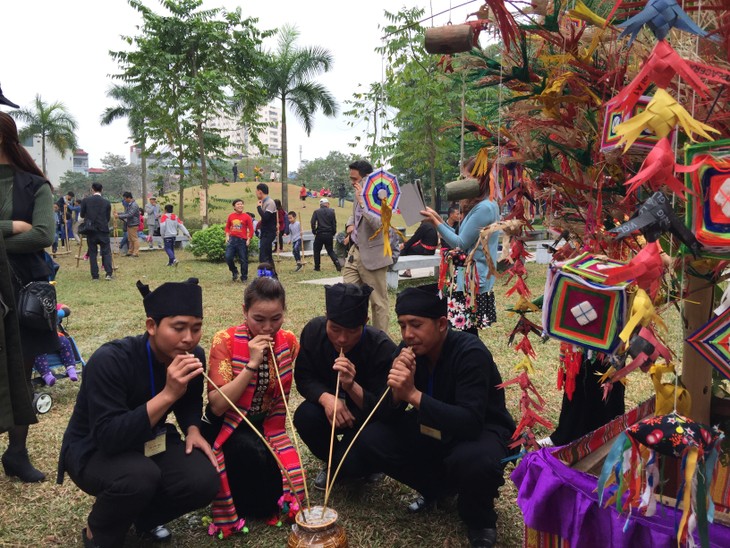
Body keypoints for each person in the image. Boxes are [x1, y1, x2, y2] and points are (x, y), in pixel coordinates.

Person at [58, 278, 219, 547]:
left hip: (147, 440)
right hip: (94, 447)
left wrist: (192, 429)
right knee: (139, 476)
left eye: (196, 328)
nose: (189, 338)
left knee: (203, 479)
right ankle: (98, 532)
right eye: (178, 328)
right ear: (152, 326)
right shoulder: (110, 360)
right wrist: (167, 394)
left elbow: (190, 402)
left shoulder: (192, 355)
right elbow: (108, 437)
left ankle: (144, 518)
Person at [357, 284, 515, 548]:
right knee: (371, 438)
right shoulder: (406, 351)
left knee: (474, 460)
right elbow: (383, 414)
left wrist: (412, 395)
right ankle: (437, 490)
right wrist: (395, 393)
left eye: (416, 325)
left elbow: (470, 421)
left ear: (442, 324)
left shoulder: (470, 352)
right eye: (403, 325)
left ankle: (480, 519)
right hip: (433, 426)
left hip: (479, 431)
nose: (408, 334)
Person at [202, 276, 304, 536]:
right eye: (259, 319)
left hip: (269, 425)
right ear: (244, 311)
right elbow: (216, 405)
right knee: (257, 476)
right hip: (228, 425)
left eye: (276, 318)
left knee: (287, 478)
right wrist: (251, 364)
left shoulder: (288, 341)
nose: (268, 328)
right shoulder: (224, 340)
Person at [294, 283, 396, 489]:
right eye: (335, 329)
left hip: (367, 419)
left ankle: (356, 464)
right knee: (305, 416)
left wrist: (351, 386)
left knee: (351, 465)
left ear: (365, 323)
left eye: (352, 331)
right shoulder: (314, 332)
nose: (342, 338)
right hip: (330, 410)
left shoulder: (381, 347)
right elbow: (304, 377)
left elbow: (386, 409)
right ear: (326, 318)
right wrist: (327, 398)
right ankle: (334, 462)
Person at [0, 110, 56, 483]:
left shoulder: (34, 184)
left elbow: (42, 235)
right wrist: (8, 227)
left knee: (21, 368)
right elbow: (23, 231)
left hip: (22, 291)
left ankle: (16, 453)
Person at [421, 158, 500, 334]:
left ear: (481, 178)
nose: (463, 182)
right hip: (470, 276)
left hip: (474, 278)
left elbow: (460, 244)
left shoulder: (485, 207)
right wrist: (438, 219)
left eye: (467, 178)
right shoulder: (483, 205)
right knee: (465, 330)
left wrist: (436, 223)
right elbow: (461, 237)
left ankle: (472, 360)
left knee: (466, 332)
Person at [343, 160, 392, 333]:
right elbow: (353, 215)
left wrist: (363, 203)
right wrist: (349, 225)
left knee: (378, 302)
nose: (352, 182)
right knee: (347, 296)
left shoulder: (381, 195)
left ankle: (381, 341)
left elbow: (381, 224)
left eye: (355, 179)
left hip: (374, 256)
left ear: (366, 178)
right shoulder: (358, 193)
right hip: (354, 252)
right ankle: (354, 335)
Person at [33, 304, 78, 386]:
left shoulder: (49, 304)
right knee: (36, 350)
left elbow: (65, 308)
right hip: (36, 341)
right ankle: (46, 374)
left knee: (65, 342)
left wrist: (60, 312)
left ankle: (71, 368)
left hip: (52, 337)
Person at [80, 182, 113, 281]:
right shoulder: (106, 202)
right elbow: (107, 218)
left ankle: (95, 276)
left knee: (93, 253)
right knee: (106, 252)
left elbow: (82, 215)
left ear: (92, 189)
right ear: (102, 190)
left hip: (91, 230)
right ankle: (108, 274)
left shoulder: (86, 201)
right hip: (103, 229)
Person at [225, 199, 254, 282]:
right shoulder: (231, 216)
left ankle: (244, 277)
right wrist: (227, 236)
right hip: (232, 240)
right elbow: (227, 227)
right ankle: (234, 271)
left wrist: (248, 239)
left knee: (243, 260)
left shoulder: (247, 217)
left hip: (242, 241)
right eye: (238, 204)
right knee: (228, 257)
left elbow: (251, 229)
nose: (240, 205)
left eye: (242, 204)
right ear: (234, 206)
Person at [311, 197, 341, 272]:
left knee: (317, 250)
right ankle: (337, 263)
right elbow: (334, 223)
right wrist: (333, 232)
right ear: (326, 204)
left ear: (320, 204)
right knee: (330, 250)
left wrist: (314, 231)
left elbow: (312, 222)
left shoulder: (316, 212)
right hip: (329, 234)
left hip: (320, 234)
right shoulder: (331, 211)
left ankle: (317, 267)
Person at [255, 183, 277, 265]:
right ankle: (273, 276)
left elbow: (266, 217)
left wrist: (258, 208)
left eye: (256, 191)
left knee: (264, 256)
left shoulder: (270, 202)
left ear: (260, 192)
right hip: (265, 232)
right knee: (267, 255)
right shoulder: (264, 202)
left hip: (269, 232)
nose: (256, 193)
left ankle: (265, 275)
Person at [114, 191, 140, 257]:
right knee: (130, 239)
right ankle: (130, 251)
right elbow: (125, 213)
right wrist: (118, 214)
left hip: (133, 224)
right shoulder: (130, 204)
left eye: (125, 199)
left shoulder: (134, 205)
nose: (125, 200)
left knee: (134, 239)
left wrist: (118, 216)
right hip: (129, 223)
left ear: (129, 198)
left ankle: (136, 252)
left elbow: (129, 214)